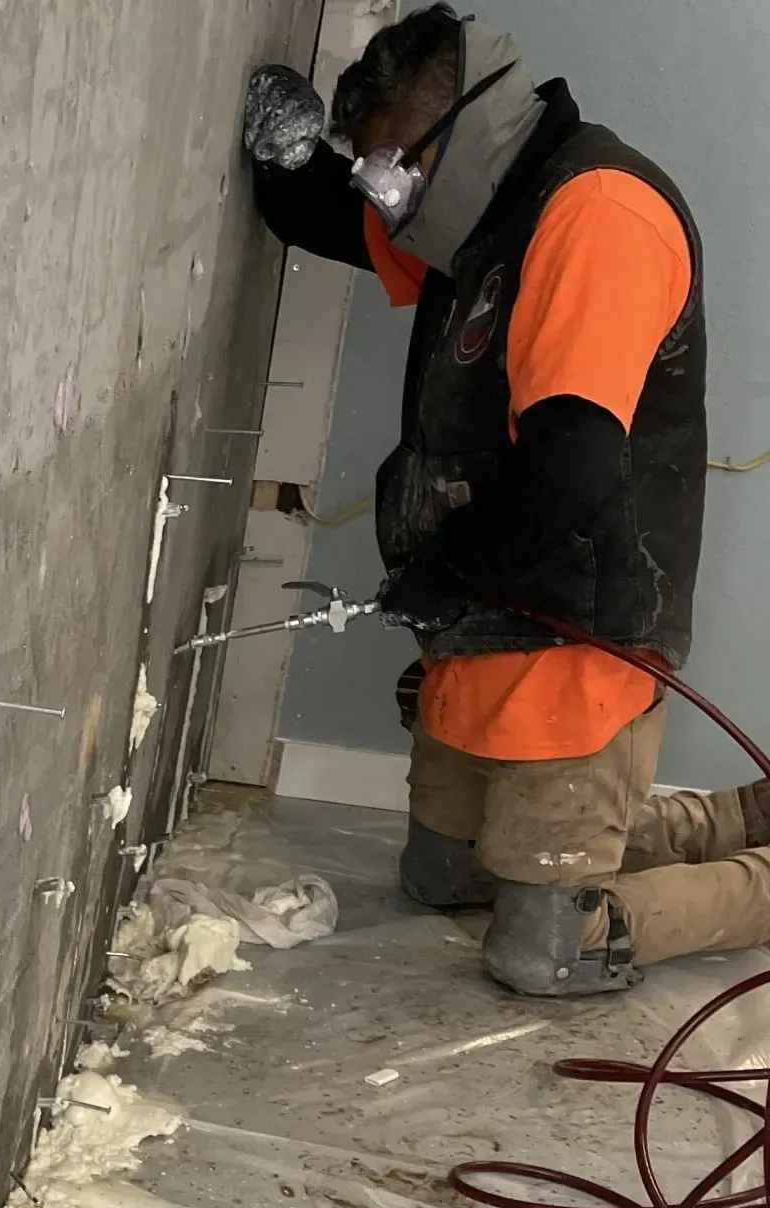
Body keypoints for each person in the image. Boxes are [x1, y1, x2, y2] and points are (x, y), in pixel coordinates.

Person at [244, 7, 770, 997]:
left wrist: (442, 577)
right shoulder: (471, 216)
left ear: (462, 128)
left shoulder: (595, 213)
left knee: (544, 952)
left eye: (392, 164)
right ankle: (723, 818)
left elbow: (570, 466)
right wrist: (286, 157)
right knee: (440, 877)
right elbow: (327, 221)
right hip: (485, 619)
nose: (382, 191)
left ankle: (751, 876)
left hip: (573, 632)